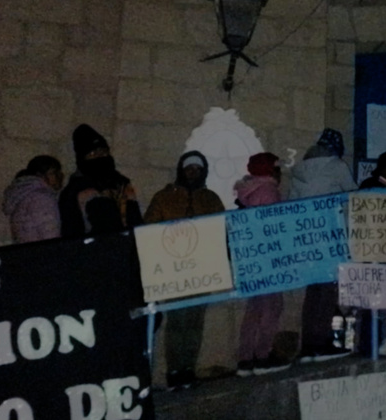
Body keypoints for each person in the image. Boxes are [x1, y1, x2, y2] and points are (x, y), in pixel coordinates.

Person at [144, 151, 225, 389]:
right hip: (174, 270)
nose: (193, 173)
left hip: (202, 270)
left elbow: (221, 228)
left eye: (197, 169)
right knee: (177, 321)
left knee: (194, 321)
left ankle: (188, 367)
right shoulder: (164, 197)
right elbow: (150, 227)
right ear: (182, 170)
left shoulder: (210, 199)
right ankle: (174, 370)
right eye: (189, 168)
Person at [288, 129, 358, 362]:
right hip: (330, 237)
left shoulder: (299, 171)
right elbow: (353, 200)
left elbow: (291, 206)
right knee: (328, 291)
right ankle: (322, 342)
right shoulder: (337, 166)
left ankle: (308, 345)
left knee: (313, 291)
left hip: (307, 240)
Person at [234, 152, 289, 376]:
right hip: (268, 257)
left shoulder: (249, 191)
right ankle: (263, 355)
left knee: (255, 308)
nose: (280, 172)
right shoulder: (269, 191)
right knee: (272, 306)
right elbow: (273, 226)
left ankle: (246, 358)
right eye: (276, 168)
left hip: (252, 257)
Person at [59, 124, 143, 238]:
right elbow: (71, 231)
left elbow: (135, 221)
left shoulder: (122, 185)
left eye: (104, 152)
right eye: (93, 154)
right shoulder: (75, 191)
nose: (100, 157)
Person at [2, 155, 64, 243]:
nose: (59, 176)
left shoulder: (24, 195)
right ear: (40, 175)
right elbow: (50, 234)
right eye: (53, 173)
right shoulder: (42, 198)